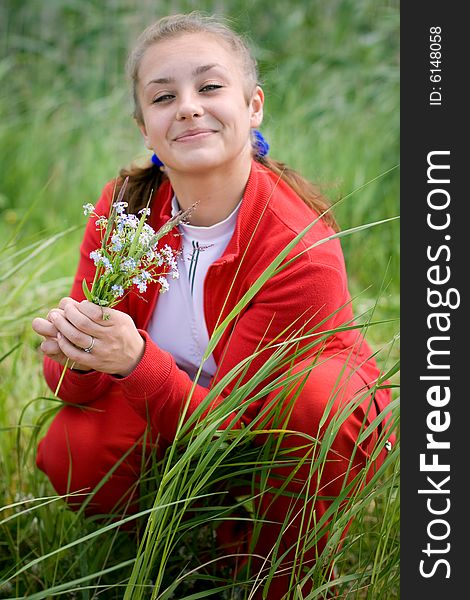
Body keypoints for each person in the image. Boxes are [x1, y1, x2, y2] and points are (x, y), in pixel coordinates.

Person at [31, 12, 394, 598]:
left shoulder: (296, 245)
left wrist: (134, 360)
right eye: (163, 96)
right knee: (73, 450)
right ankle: (177, 532)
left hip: (287, 423)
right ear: (145, 128)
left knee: (315, 404)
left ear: (253, 107)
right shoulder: (125, 211)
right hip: (183, 403)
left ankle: (278, 564)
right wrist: (73, 351)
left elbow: (235, 429)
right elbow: (76, 390)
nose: (189, 107)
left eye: (210, 87)